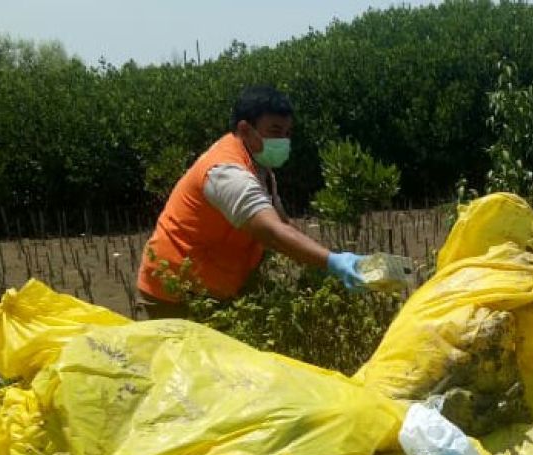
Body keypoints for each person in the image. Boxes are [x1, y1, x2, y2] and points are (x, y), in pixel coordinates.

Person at [137, 85, 367, 317]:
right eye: (275, 130)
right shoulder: (227, 173)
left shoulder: (260, 168)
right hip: (175, 290)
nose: (283, 140)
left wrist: (318, 264)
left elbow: (281, 223)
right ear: (245, 129)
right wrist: (331, 261)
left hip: (214, 283)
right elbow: (272, 232)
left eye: (288, 133)